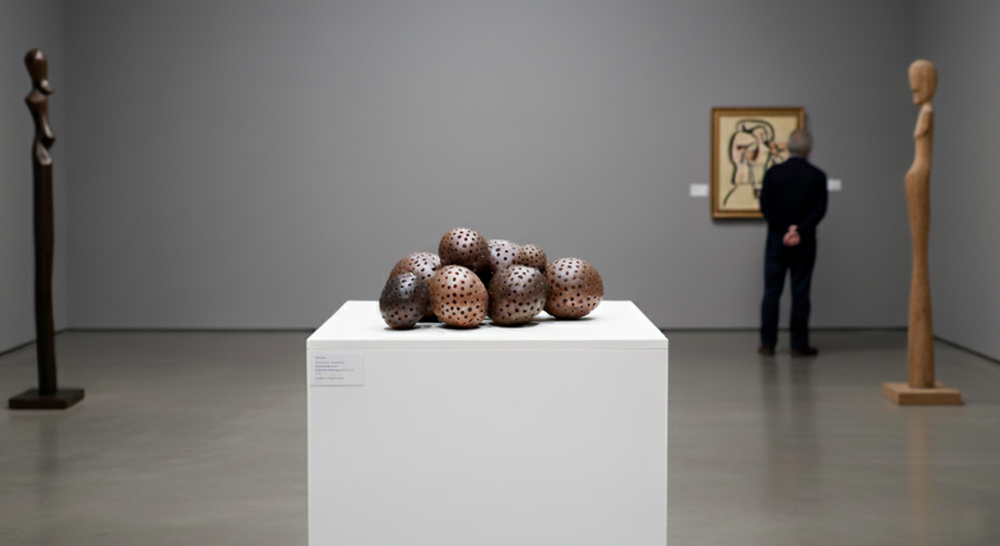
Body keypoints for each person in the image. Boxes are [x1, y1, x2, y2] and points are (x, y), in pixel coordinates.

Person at [758, 129, 827, 356]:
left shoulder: (774, 173)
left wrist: (784, 229)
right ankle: (798, 345)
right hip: (804, 244)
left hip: (777, 242)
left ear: (788, 147)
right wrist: (799, 229)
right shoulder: (817, 176)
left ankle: (768, 344)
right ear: (809, 149)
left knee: (771, 292)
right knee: (801, 292)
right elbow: (819, 210)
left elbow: (766, 206)